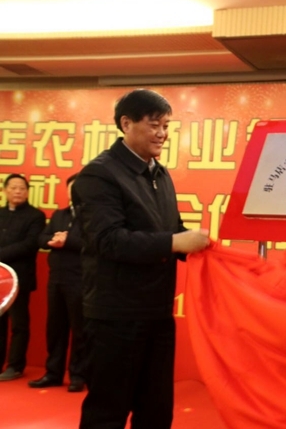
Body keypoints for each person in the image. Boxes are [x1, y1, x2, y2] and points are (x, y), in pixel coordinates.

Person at [72, 89, 210, 429]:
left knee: (156, 410)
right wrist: (175, 242)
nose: (162, 134)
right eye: (154, 125)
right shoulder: (99, 175)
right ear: (126, 123)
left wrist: (205, 249)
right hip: (115, 316)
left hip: (157, 312)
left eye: (166, 126)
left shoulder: (160, 174)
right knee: (108, 412)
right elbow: (108, 240)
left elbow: (170, 230)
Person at [28, 173, 86, 392]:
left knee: (80, 330)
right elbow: (41, 238)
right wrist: (52, 240)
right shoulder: (59, 214)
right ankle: (53, 373)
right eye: (72, 187)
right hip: (57, 279)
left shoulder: (93, 216)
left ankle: (78, 375)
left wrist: (67, 240)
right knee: (55, 328)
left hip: (79, 279)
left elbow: (94, 244)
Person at [0, 174, 46, 381]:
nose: (17, 191)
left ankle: (16, 365)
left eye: (22, 188)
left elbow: (29, 244)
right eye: (13, 187)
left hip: (19, 279)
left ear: (27, 192)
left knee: (19, 324)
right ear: (5, 190)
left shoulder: (35, 216)